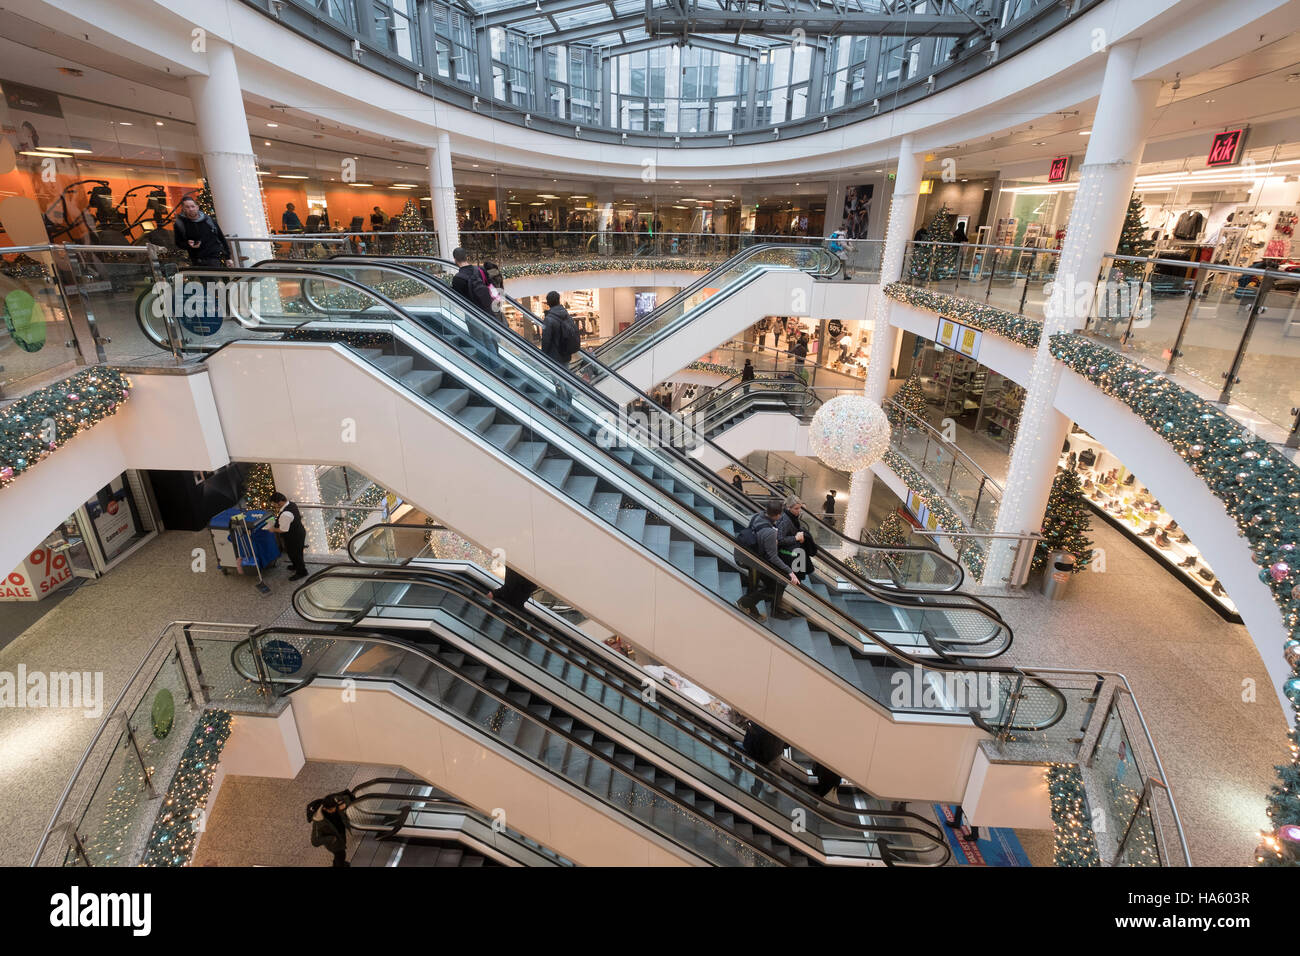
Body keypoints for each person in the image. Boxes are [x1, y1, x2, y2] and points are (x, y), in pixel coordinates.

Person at [734, 499, 799, 622]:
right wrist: (790, 572)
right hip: (751, 560)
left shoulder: (757, 515)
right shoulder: (770, 532)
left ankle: (751, 609)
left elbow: (755, 533)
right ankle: (744, 603)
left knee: (762, 584)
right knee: (773, 585)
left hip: (742, 553)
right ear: (778, 515)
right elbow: (773, 557)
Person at [541, 290, 580, 413]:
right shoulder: (566, 314)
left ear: (548, 303)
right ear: (559, 300)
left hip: (554, 356)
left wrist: (543, 354)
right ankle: (569, 403)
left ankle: (563, 407)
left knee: (558, 382)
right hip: (566, 354)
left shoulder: (549, 319)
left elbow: (546, 340)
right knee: (566, 379)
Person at [173, 196, 231, 267]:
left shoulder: (208, 220)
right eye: (187, 207)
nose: (190, 209)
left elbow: (221, 238)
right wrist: (188, 244)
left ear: (197, 207)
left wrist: (228, 257)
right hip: (197, 260)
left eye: (192, 206)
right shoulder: (180, 224)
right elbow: (178, 242)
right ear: (183, 209)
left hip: (215, 258)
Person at [269, 492, 308, 581]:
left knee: (296, 554)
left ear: (279, 502)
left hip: (293, 536)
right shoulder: (291, 504)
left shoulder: (286, 514)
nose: (273, 505)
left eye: (274, 504)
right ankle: (295, 566)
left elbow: (283, 530)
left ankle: (302, 572)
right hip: (298, 532)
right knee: (292, 552)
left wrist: (272, 529)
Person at [306, 791, 352, 866]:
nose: (334, 811)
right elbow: (314, 841)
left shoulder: (334, 801)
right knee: (340, 855)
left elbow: (347, 797)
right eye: (331, 810)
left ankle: (338, 864)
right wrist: (331, 838)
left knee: (340, 854)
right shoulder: (319, 822)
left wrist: (344, 804)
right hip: (333, 843)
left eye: (335, 808)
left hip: (340, 833)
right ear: (324, 808)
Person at [776, 494, 816, 583]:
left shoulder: (791, 516)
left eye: (800, 508)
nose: (799, 511)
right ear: (788, 507)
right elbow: (780, 539)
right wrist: (796, 538)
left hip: (793, 554)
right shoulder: (785, 520)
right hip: (788, 555)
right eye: (796, 508)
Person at [450, 247, 494, 313]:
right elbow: (490, 286)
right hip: (488, 311)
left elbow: (458, 301)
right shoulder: (481, 269)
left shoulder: (457, 279)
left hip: (473, 315)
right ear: (466, 257)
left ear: (455, 260)